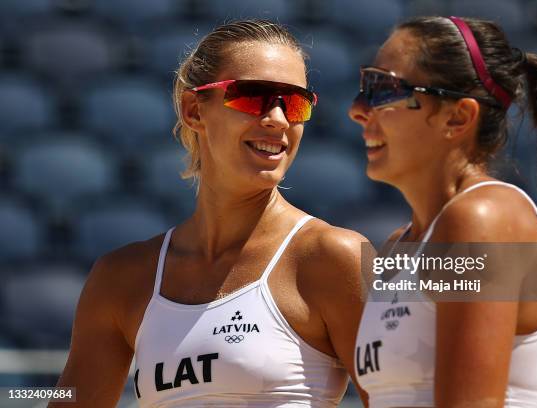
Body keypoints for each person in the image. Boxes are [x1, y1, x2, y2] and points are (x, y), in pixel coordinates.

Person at [51, 19, 368, 407]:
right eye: (254, 96)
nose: (278, 119)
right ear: (193, 110)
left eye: (296, 102)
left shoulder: (336, 257)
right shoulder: (121, 277)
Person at [349, 16, 537, 408]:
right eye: (364, 85)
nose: (357, 110)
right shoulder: (400, 245)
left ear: (457, 117)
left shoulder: (482, 218)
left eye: (382, 88)